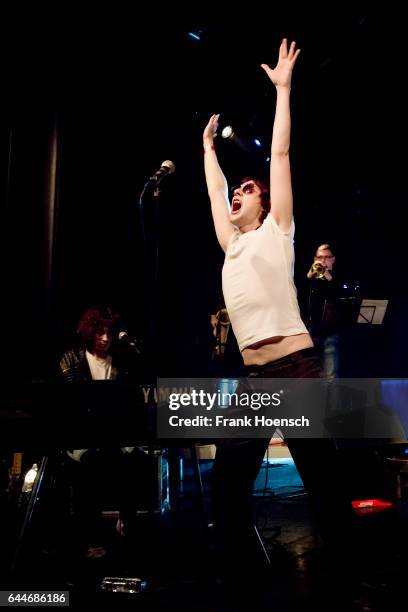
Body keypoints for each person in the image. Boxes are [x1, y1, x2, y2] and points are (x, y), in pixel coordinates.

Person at [203, 39, 352, 583]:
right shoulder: (230, 242)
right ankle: (247, 577)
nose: (239, 193)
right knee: (228, 485)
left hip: (295, 369)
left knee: (322, 481)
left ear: (265, 204)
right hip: (253, 377)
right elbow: (216, 194)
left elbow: (280, 155)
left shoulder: (278, 230)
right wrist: (206, 155)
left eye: (248, 189)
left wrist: (283, 91)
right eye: (237, 191)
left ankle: (343, 579)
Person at [59, 306, 150, 559]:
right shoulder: (71, 359)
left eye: (109, 333)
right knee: (90, 468)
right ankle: (89, 538)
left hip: (116, 437)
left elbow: (132, 402)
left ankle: (128, 529)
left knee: (135, 461)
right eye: (100, 333)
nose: (105, 339)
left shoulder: (122, 360)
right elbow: (70, 405)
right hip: (83, 439)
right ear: (89, 333)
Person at [306, 243, 340, 379]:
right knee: (311, 377)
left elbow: (338, 294)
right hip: (311, 333)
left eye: (326, 257)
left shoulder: (336, 279)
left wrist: (327, 275)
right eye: (319, 257)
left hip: (330, 334)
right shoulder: (312, 280)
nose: (323, 261)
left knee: (330, 378)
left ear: (333, 259)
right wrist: (309, 275)